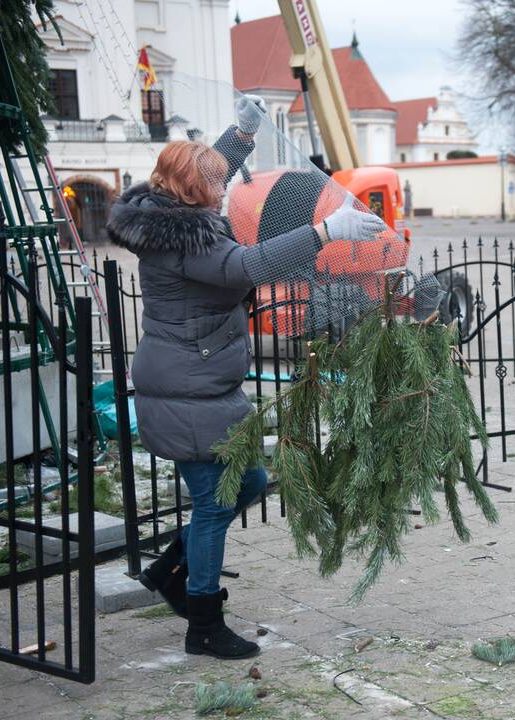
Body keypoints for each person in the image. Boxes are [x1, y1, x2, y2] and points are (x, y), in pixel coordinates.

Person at [106, 95, 383, 659]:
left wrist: (241, 136)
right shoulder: (190, 241)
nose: (223, 191)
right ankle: (203, 624)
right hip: (187, 391)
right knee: (214, 503)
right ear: (192, 194)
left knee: (250, 482)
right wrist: (326, 231)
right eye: (214, 184)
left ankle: (166, 569)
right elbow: (249, 266)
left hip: (198, 385)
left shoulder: (170, 217)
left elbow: (204, 175)